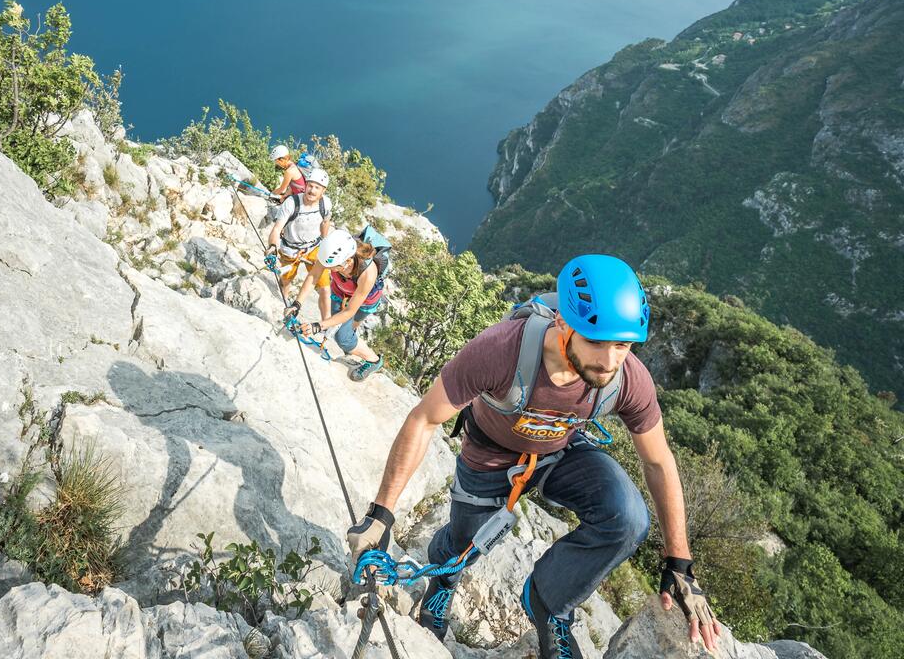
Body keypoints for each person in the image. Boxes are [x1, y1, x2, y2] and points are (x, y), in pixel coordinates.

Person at [345, 254, 721, 659]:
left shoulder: (627, 378)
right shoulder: (500, 352)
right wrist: (381, 514)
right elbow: (423, 419)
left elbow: (659, 461)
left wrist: (680, 563)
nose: (610, 361)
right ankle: (443, 583)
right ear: (562, 321)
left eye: (623, 344)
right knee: (464, 540)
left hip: (560, 448)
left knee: (627, 518)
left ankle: (548, 601)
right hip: (490, 450)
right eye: (596, 341)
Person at [285, 228, 386, 382]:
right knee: (344, 329)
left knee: (343, 337)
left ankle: (374, 361)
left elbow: (350, 311)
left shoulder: (368, 272)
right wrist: (296, 304)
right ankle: (352, 341)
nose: (329, 270)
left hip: (365, 301)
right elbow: (314, 276)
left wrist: (319, 326)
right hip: (341, 291)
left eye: (334, 268)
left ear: (348, 261)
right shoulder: (330, 254)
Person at [265, 168, 333, 312]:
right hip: (290, 248)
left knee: (325, 287)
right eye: (310, 186)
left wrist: (325, 241)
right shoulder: (291, 203)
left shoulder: (325, 204)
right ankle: (283, 306)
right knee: (286, 281)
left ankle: (325, 326)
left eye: (317, 187)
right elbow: (277, 229)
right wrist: (272, 247)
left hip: (314, 247)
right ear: (305, 185)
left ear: (323, 191)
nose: (312, 190)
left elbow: (325, 222)